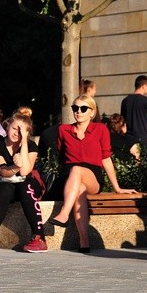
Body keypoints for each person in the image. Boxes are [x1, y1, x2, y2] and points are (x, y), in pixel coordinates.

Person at [49, 95, 135, 252]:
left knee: (77, 171)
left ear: (92, 112)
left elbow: (106, 159)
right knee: (79, 187)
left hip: (93, 178)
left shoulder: (100, 129)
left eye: (83, 108)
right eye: (75, 108)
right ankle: (84, 241)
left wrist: (117, 188)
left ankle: (64, 213)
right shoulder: (64, 130)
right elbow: (62, 157)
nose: (78, 112)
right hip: (71, 179)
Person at [0, 113, 47, 253]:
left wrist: (24, 142)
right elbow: (2, 171)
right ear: (7, 127)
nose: (16, 133)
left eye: (21, 131)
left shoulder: (30, 145)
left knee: (27, 187)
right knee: (5, 189)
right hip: (6, 183)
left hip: (27, 183)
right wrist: (14, 167)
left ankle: (39, 237)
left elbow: (25, 171)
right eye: (14, 128)